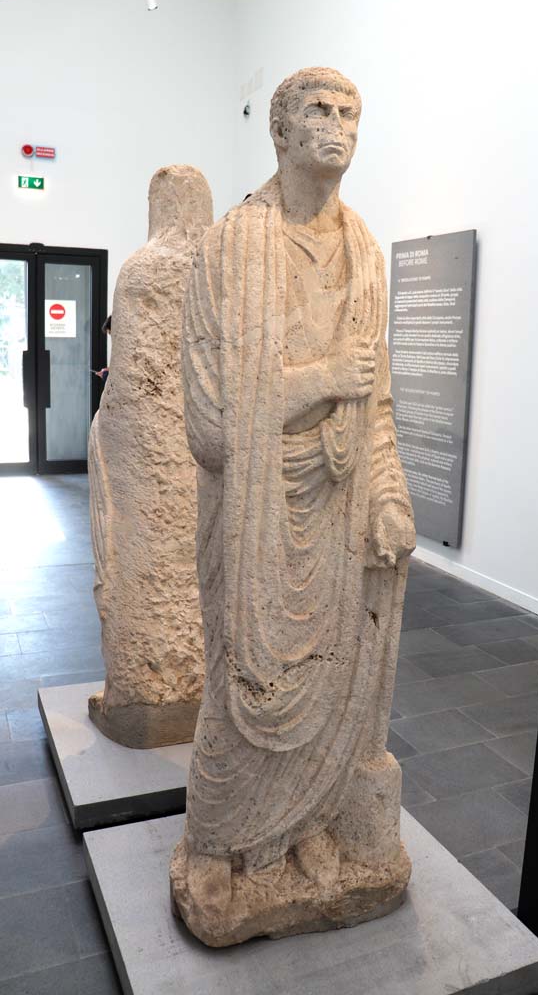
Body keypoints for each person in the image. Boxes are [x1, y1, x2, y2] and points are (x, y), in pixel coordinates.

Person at [171, 67, 416, 946]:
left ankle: (304, 828)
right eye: (318, 109)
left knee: (332, 678)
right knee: (250, 683)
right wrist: (316, 380)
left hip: (343, 501)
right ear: (279, 129)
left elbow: (376, 401)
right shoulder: (231, 245)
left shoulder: (365, 251)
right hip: (256, 511)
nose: (337, 126)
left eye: (351, 112)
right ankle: (224, 842)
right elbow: (207, 421)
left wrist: (388, 496)